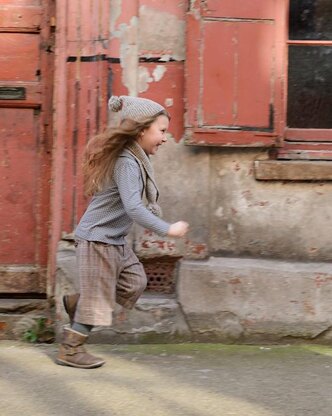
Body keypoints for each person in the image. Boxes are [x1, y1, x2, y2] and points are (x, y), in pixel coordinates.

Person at [56, 95, 189, 369]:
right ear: (141, 130)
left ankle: (78, 302)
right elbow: (133, 208)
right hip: (97, 239)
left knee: (135, 283)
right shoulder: (128, 162)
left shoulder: (136, 160)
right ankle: (70, 349)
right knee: (99, 303)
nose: (165, 138)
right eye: (161, 131)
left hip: (113, 239)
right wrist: (166, 229)